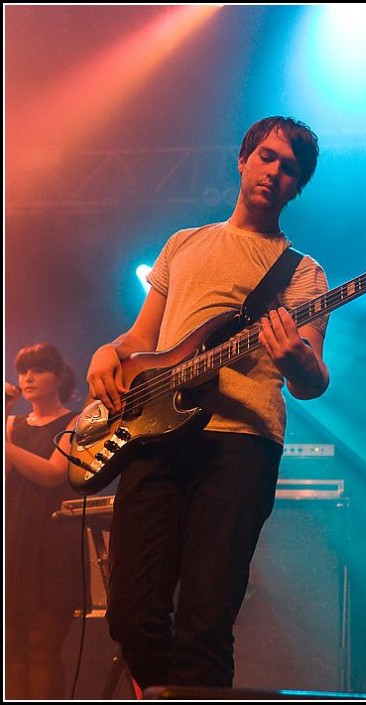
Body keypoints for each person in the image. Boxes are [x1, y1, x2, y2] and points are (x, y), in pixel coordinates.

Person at [85, 115, 330, 691]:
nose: (275, 171)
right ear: (242, 160)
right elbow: (141, 340)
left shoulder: (305, 274)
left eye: (289, 168)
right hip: (154, 438)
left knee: (205, 623)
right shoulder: (184, 243)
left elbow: (313, 380)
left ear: (298, 186)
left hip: (240, 449)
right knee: (131, 615)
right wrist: (107, 349)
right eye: (266, 157)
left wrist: (295, 358)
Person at [5, 342, 85, 700]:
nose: (27, 378)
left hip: (52, 540)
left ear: (58, 375)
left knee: (42, 645)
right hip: (14, 536)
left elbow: (54, 472)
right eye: (23, 371)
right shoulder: (11, 423)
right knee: (12, 647)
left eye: (37, 370)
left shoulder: (75, 422)